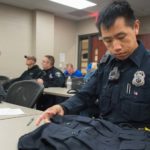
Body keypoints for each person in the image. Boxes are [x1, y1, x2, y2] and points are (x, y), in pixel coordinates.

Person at [19, 1, 150, 149]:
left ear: (136, 27)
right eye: (108, 41)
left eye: (121, 37)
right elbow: (85, 95)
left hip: (136, 140)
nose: (116, 47)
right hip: (102, 134)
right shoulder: (106, 65)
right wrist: (62, 107)